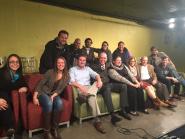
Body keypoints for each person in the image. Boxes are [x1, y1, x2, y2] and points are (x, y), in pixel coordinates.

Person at [33, 56, 69, 139]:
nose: (61, 64)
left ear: (65, 64)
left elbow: (60, 89)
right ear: (56, 64)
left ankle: (55, 129)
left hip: (54, 94)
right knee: (49, 103)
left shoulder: (67, 75)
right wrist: (34, 97)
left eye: (62, 63)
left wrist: (53, 96)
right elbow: (40, 84)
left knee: (59, 103)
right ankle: (46, 131)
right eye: (59, 62)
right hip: (43, 92)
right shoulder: (50, 72)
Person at [69, 54, 105, 134]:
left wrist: (99, 80)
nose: (82, 61)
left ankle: (85, 96)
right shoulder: (72, 69)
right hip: (79, 88)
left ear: (85, 62)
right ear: (77, 61)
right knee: (92, 97)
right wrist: (81, 87)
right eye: (80, 60)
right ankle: (97, 121)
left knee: (96, 82)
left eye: (84, 60)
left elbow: (96, 75)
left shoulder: (88, 69)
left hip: (89, 88)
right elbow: (71, 81)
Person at [91, 52, 131, 125]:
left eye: (105, 58)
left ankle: (123, 110)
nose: (103, 59)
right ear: (98, 58)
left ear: (107, 59)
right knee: (107, 88)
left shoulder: (108, 64)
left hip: (109, 84)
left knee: (123, 86)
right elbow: (94, 77)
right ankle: (112, 115)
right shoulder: (93, 66)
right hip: (101, 85)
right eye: (101, 58)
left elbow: (118, 64)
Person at [0, 54, 28, 139]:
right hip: (2, 97)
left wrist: (25, 88)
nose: (15, 64)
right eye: (12, 62)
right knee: (4, 101)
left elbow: (24, 85)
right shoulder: (1, 72)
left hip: (11, 99)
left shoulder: (19, 75)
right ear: (8, 63)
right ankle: (10, 128)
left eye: (17, 62)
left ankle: (13, 130)